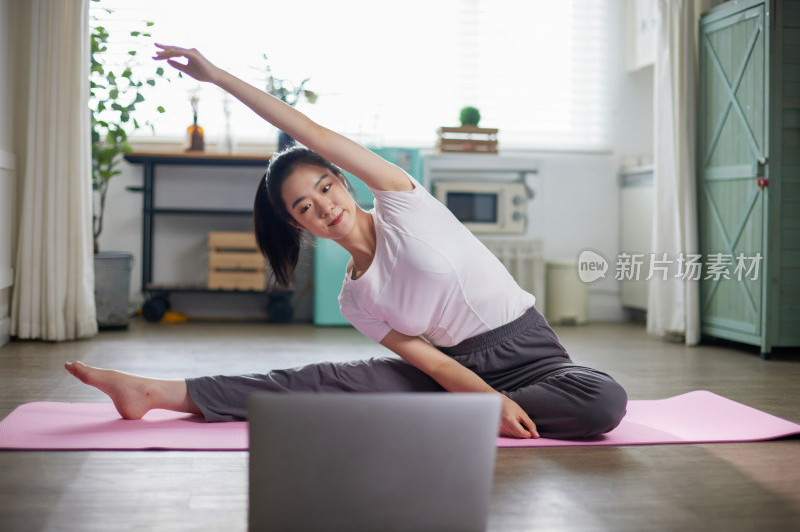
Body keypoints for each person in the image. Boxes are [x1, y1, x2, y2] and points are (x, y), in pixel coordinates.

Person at [65, 44, 627, 440]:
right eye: (303, 206)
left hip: (532, 360)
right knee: (321, 382)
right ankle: (156, 393)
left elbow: (309, 131)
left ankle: (435, 416)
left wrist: (218, 79)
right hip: (447, 373)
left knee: (604, 400)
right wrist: (485, 400)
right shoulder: (354, 300)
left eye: (325, 186)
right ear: (297, 225)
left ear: (343, 179)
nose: (324, 206)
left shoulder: (403, 200)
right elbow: (431, 363)